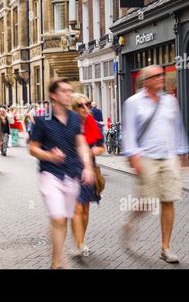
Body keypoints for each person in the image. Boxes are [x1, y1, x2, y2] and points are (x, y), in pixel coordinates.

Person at [122, 65, 189, 264]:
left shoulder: (170, 101)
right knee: (147, 201)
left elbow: (177, 128)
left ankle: (165, 248)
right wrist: (133, 156)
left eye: (162, 75)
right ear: (146, 81)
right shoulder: (133, 103)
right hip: (146, 157)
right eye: (157, 76)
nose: (162, 78)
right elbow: (129, 132)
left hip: (168, 157)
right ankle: (130, 223)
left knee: (168, 200)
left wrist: (181, 152)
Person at [29, 78, 95, 269]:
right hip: (50, 174)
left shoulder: (75, 118)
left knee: (62, 220)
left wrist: (88, 167)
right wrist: (48, 155)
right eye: (64, 91)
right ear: (53, 95)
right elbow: (32, 149)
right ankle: (58, 263)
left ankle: (55, 259)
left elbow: (81, 143)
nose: (69, 94)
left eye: (70, 91)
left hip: (71, 174)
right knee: (58, 218)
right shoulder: (42, 121)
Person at [70, 94, 105, 257]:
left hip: (88, 168)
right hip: (70, 170)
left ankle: (81, 239)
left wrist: (95, 150)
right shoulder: (66, 125)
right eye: (81, 105)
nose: (85, 108)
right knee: (76, 208)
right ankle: (79, 243)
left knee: (85, 208)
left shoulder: (93, 124)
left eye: (87, 105)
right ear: (73, 108)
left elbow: (101, 146)